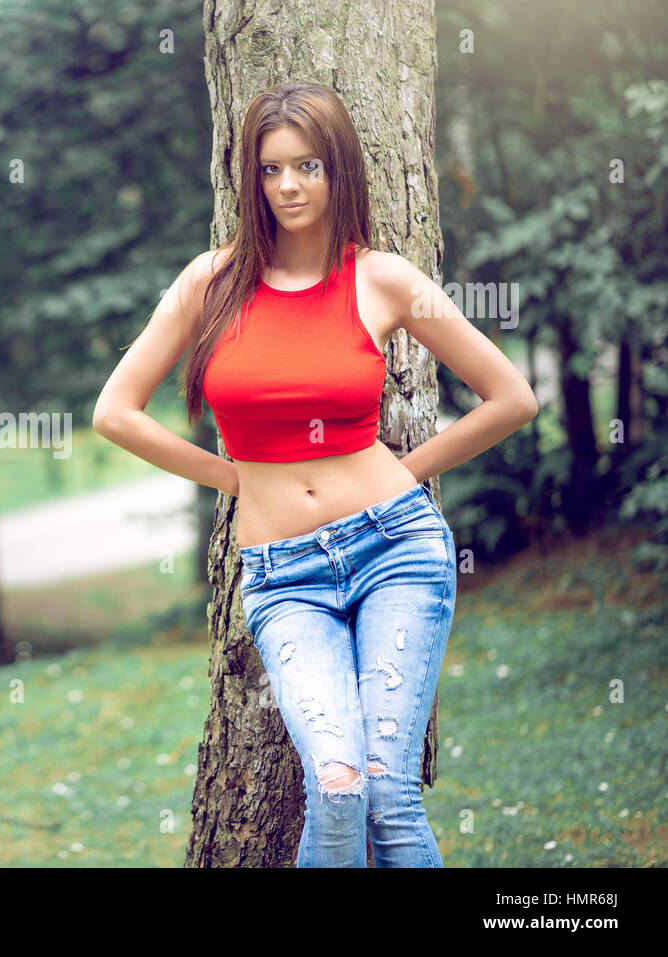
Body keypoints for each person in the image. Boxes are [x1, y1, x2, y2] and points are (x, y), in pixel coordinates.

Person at [91, 81, 538, 867]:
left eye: (308, 166)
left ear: (339, 171)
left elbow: (510, 397)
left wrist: (409, 470)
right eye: (270, 170)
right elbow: (115, 412)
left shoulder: (385, 280)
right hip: (284, 573)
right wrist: (232, 479)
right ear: (251, 180)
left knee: (387, 793)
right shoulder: (210, 283)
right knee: (336, 786)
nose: (289, 185)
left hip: (395, 548)